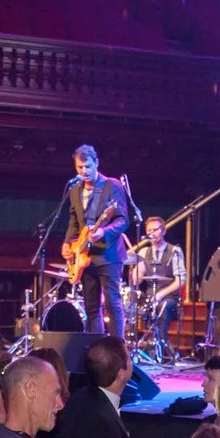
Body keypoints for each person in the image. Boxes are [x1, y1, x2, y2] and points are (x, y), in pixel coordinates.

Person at [62, 144, 134, 340]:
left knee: (112, 303)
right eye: (79, 167)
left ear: (96, 164)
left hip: (109, 254)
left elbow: (123, 220)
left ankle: (117, 350)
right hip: (85, 256)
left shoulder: (112, 186)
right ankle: (96, 350)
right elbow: (74, 221)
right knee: (91, 307)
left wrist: (103, 231)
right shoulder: (75, 191)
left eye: (87, 166)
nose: (83, 171)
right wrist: (68, 243)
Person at [128, 211, 188, 356]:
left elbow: (181, 279)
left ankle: (161, 345)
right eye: (149, 230)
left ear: (163, 231)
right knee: (128, 304)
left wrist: (160, 294)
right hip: (149, 297)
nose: (152, 233)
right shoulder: (143, 252)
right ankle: (132, 348)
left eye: (155, 230)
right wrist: (134, 273)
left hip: (170, 298)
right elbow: (139, 277)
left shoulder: (175, 251)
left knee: (163, 305)